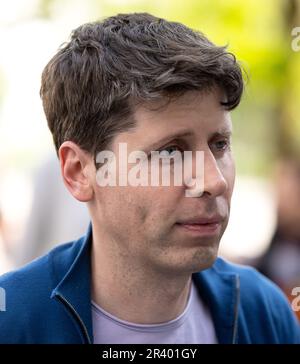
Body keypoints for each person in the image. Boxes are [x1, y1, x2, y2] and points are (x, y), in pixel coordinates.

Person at [0, 12, 299, 344]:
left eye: (219, 144)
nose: (215, 182)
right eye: (171, 152)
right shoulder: (12, 322)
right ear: (79, 173)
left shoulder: (263, 313)